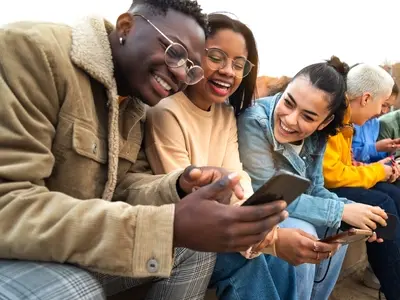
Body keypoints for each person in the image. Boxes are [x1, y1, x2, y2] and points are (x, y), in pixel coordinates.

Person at [0, 2, 287, 300]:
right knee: (75, 289)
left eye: (190, 67)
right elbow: (7, 203)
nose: (179, 74)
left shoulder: (134, 104)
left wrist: (178, 184)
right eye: (175, 52)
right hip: (16, 249)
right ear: (126, 26)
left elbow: (122, 185)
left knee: (192, 251)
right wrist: (167, 225)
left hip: (67, 242)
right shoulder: (36, 51)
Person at [143, 15, 382, 299]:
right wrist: (275, 240)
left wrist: (351, 213)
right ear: (194, 53)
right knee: (283, 248)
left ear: (323, 122)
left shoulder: (224, 113)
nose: (227, 71)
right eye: (216, 57)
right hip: (189, 232)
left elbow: (239, 180)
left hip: (235, 218)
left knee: (330, 232)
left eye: (238, 64)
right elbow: (193, 198)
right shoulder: (172, 113)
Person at [323, 63, 400, 300]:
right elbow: (331, 176)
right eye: (382, 104)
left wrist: (376, 169)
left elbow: (343, 165)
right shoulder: (336, 116)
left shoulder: (348, 119)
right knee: (383, 205)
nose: (380, 112)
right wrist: (377, 170)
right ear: (366, 98)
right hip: (322, 191)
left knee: (395, 194)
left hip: (335, 181)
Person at [352, 82, 400, 164]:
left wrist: (390, 149)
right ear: (366, 98)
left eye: (389, 107)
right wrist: (375, 148)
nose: (384, 111)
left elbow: (372, 158)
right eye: (383, 105)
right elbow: (347, 158)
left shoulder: (375, 123)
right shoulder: (350, 121)